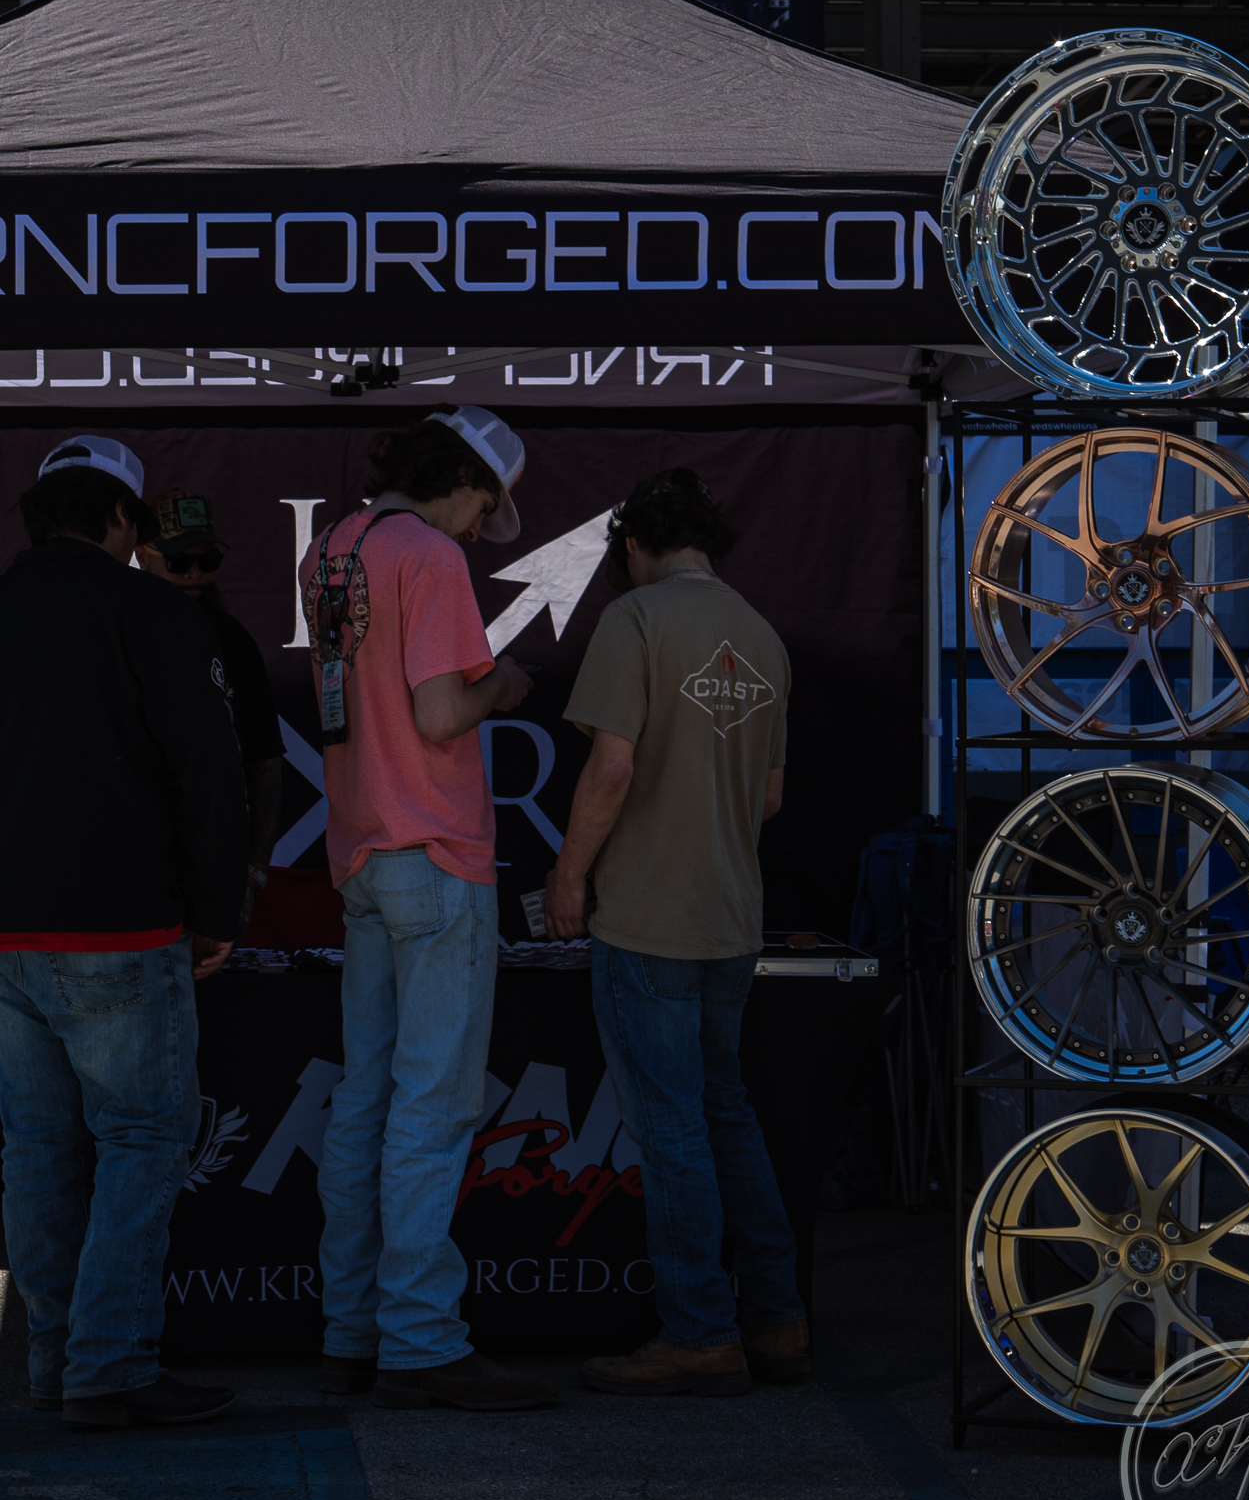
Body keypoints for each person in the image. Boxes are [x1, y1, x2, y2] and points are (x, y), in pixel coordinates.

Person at [0, 434, 250, 1431]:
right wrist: (216, 911)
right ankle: (106, 1364)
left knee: (37, 1148)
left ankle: (58, 1361)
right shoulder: (148, 610)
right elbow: (211, 771)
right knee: (139, 1137)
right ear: (118, 517)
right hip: (117, 923)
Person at [298, 404, 558, 1413]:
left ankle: (351, 1329)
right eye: (485, 507)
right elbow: (442, 710)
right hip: (435, 848)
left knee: (365, 1096)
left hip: (359, 846)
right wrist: (504, 684)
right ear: (465, 482)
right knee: (433, 1104)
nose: (479, 527)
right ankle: (418, 1339)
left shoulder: (333, 547)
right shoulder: (430, 556)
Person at [544, 467, 809, 1397]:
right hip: (731, 913)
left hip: (649, 914)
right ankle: (776, 1320)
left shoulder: (636, 620)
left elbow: (610, 768)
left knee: (671, 1128)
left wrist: (569, 872)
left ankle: (698, 1332)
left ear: (633, 546)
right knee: (725, 1112)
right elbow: (768, 797)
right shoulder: (762, 636)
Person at [137, 488, 284, 940]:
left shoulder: (231, 638)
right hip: (132, 870)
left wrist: (254, 870)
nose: (195, 573)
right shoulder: (117, 631)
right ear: (142, 554)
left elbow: (264, 757)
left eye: (208, 561)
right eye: (179, 561)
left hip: (207, 873)